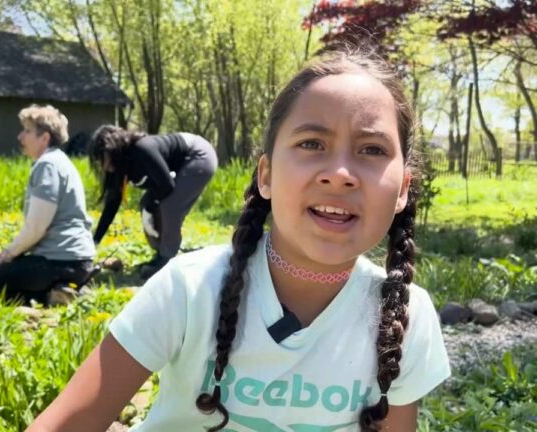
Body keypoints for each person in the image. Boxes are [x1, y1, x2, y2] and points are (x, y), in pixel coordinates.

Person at [26, 47, 451, 432]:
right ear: (265, 175)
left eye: (372, 150)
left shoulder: (407, 317)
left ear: (402, 190)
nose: (339, 173)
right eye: (312, 143)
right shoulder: (188, 290)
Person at [0, 104, 96, 305]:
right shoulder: (60, 161)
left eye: (27, 131)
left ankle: (51, 296)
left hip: (58, 261)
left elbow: (36, 227)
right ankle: (66, 289)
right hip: (77, 261)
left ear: (44, 138)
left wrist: (5, 256)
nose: (20, 137)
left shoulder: (47, 166)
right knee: (5, 274)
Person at [88, 125, 217, 278]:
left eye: (102, 157)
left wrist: (150, 208)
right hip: (176, 171)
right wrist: (94, 241)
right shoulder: (120, 165)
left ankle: (166, 259)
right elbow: (112, 205)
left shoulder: (143, 149)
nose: (102, 165)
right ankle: (161, 255)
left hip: (199, 155)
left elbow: (167, 185)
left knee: (169, 206)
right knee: (147, 204)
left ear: (113, 149)